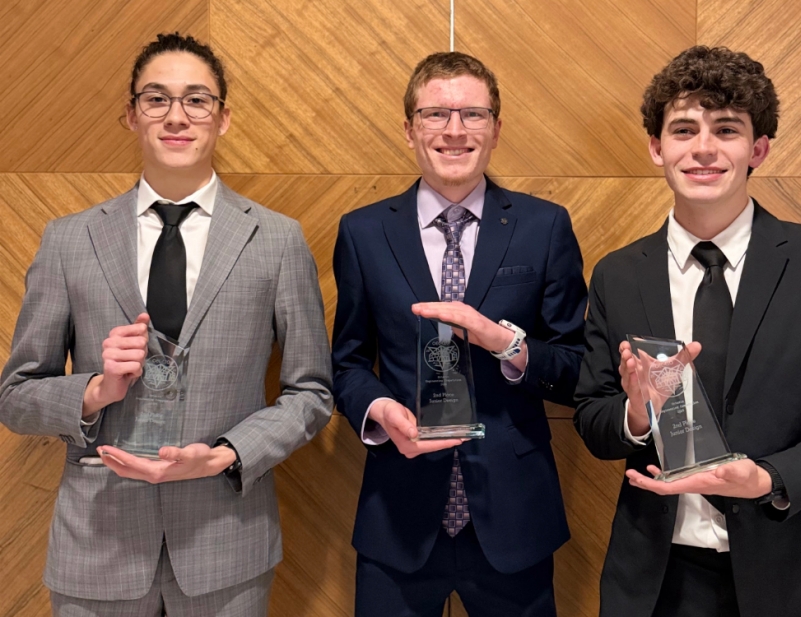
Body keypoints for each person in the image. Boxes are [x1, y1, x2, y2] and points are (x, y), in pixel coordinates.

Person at [0, 33, 333, 617]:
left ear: (223, 118)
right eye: (156, 99)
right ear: (130, 115)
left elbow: (311, 393)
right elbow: (16, 396)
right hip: (96, 546)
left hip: (225, 546)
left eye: (197, 100)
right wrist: (94, 390)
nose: (176, 116)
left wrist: (227, 454)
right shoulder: (69, 240)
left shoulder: (278, 240)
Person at [573, 46, 801, 617]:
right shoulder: (617, 274)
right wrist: (634, 412)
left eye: (726, 129)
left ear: (758, 149)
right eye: (683, 129)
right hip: (657, 581)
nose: (703, 148)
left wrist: (768, 477)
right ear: (657, 147)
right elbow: (591, 419)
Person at [331, 51, 587, 616]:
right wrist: (378, 411)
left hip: (514, 519)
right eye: (435, 115)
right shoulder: (363, 232)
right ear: (408, 130)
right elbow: (346, 362)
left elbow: (576, 368)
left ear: (497, 128)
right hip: (396, 518)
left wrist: (506, 345)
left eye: (473, 114)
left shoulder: (545, 227)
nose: (454, 131)